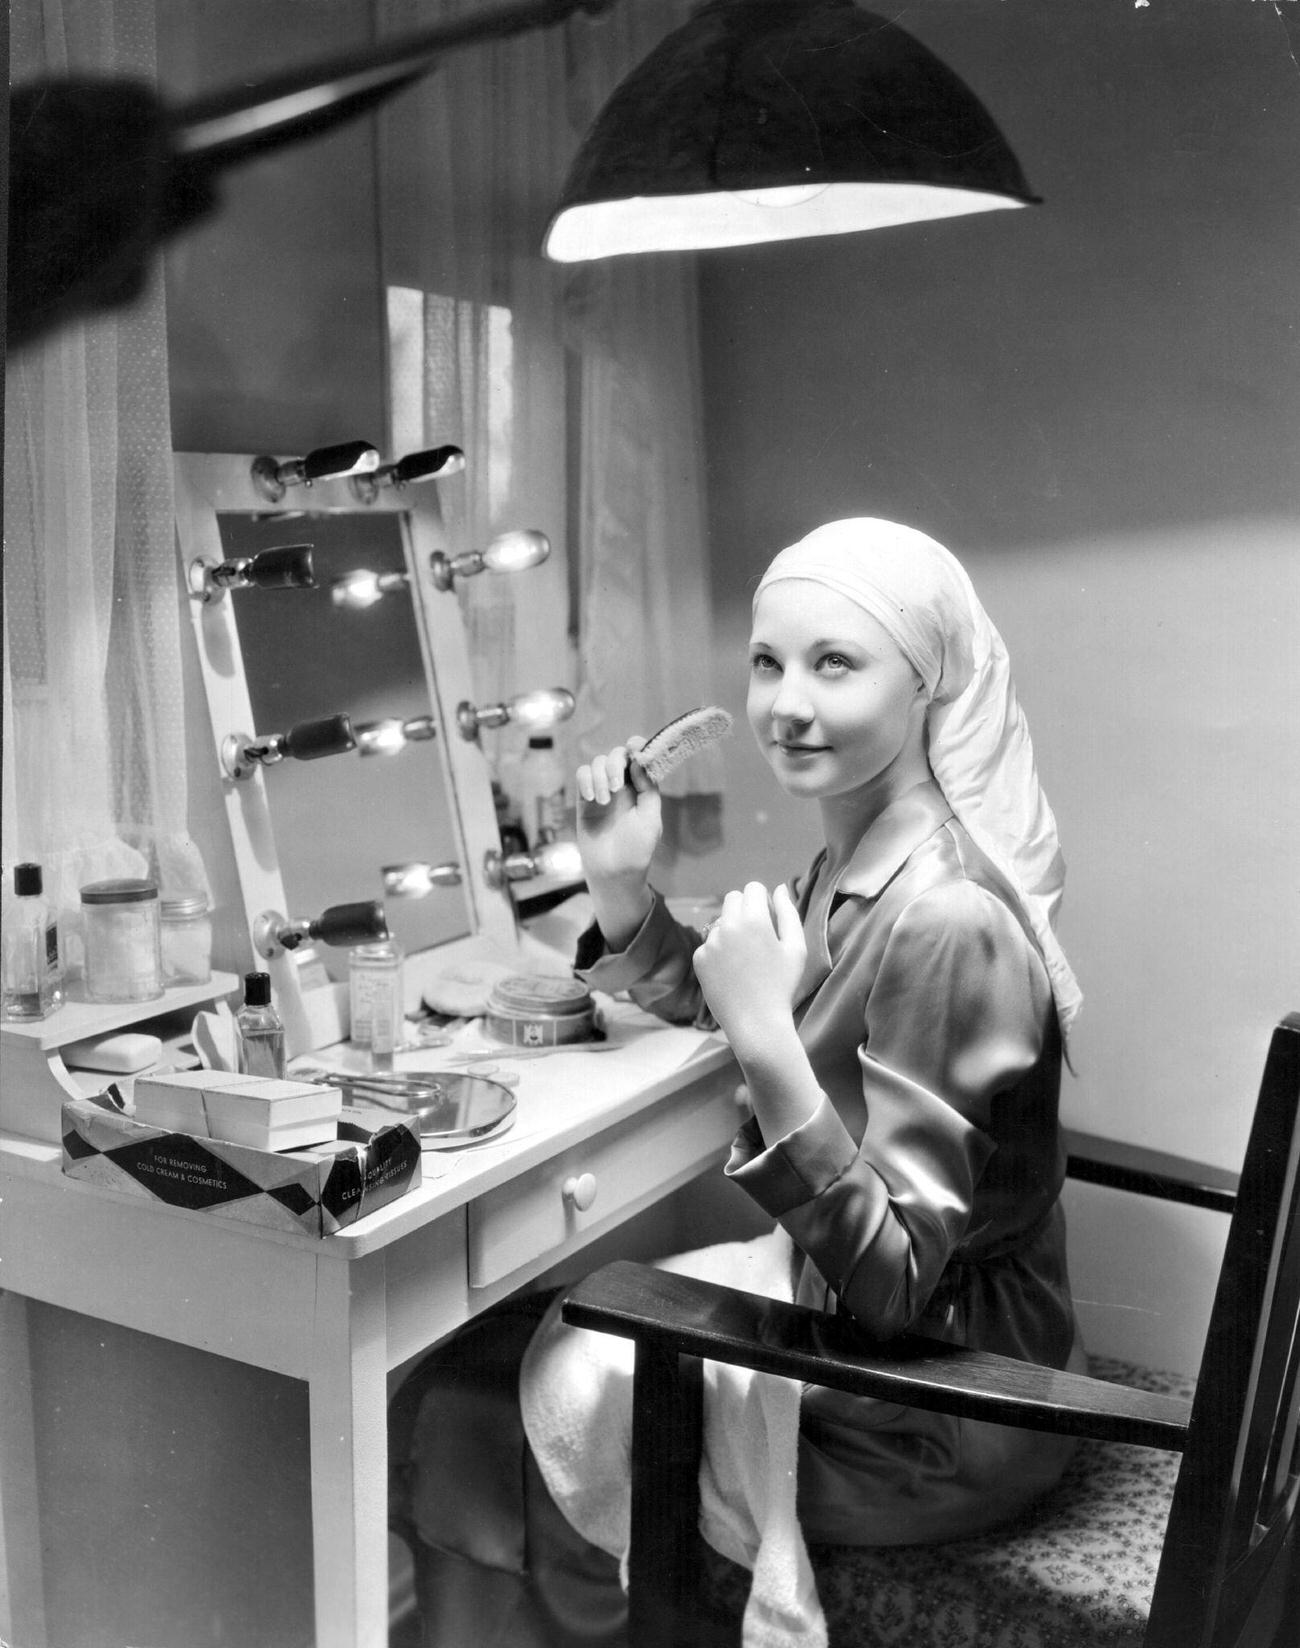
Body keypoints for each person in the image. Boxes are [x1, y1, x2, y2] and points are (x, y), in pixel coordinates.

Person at [391, 517, 1084, 1647]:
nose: (786, 703)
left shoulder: (948, 915)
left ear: (927, 687)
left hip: (934, 1407)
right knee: (493, 1362)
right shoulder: (870, 858)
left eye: (835, 663)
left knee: (472, 1404)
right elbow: (738, 980)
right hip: (884, 1349)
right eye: (767, 661)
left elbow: (894, 1282)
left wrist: (765, 1038)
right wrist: (622, 885)